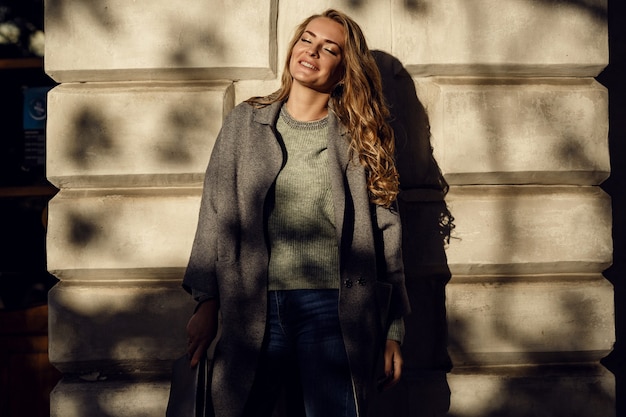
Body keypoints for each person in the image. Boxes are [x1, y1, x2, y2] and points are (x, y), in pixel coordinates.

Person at [183, 9, 411, 417]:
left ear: (344, 70)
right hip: (251, 305)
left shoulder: (362, 137)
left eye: (330, 48)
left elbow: (386, 236)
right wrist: (206, 301)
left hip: (334, 310)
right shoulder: (245, 123)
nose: (313, 51)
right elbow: (215, 214)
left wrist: (393, 329)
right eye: (307, 39)